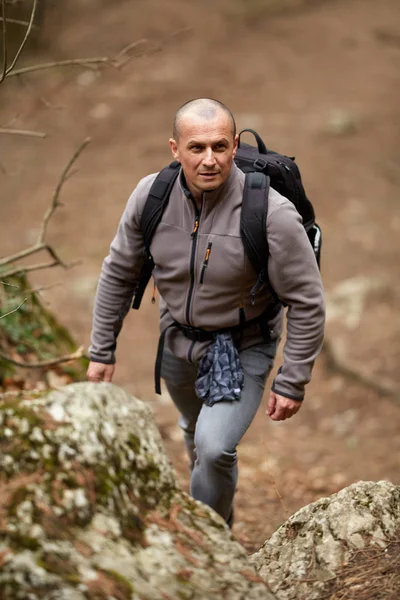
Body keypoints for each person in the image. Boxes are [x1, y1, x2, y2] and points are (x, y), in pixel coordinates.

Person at [87, 98, 325, 528]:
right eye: (197, 148)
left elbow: (307, 301)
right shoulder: (151, 195)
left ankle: (206, 542)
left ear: (235, 146)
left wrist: (292, 380)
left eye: (219, 146)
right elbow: (119, 272)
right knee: (194, 433)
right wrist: (101, 349)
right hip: (177, 340)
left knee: (214, 448)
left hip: (244, 342)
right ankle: (219, 522)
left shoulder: (270, 212)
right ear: (175, 149)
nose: (210, 160)